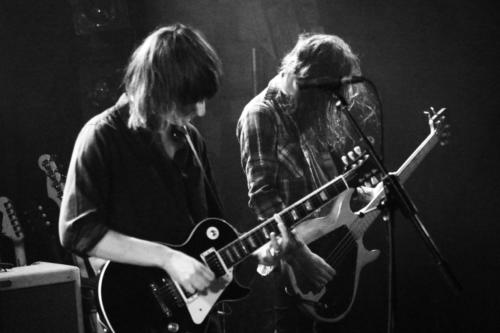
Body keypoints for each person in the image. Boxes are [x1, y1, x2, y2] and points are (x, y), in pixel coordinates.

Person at [59, 23, 228, 333]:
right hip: (138, 308)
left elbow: (213, 226)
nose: (200, 111)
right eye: (190, 100)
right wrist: (167, 258)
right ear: (159, 90)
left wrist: (263, 249)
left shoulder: (190, 140)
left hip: (198, 313)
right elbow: (77, 230)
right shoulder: (101, 137)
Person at [237, 33, 374, 333]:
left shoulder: (305, 109)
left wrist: (363, 195)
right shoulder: (261, 113)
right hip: (291, 259)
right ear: (315, 81)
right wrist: (300, 255)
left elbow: (324, 188)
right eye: (332, 93)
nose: (338, 103)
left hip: (328, 244)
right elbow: (263, 198)